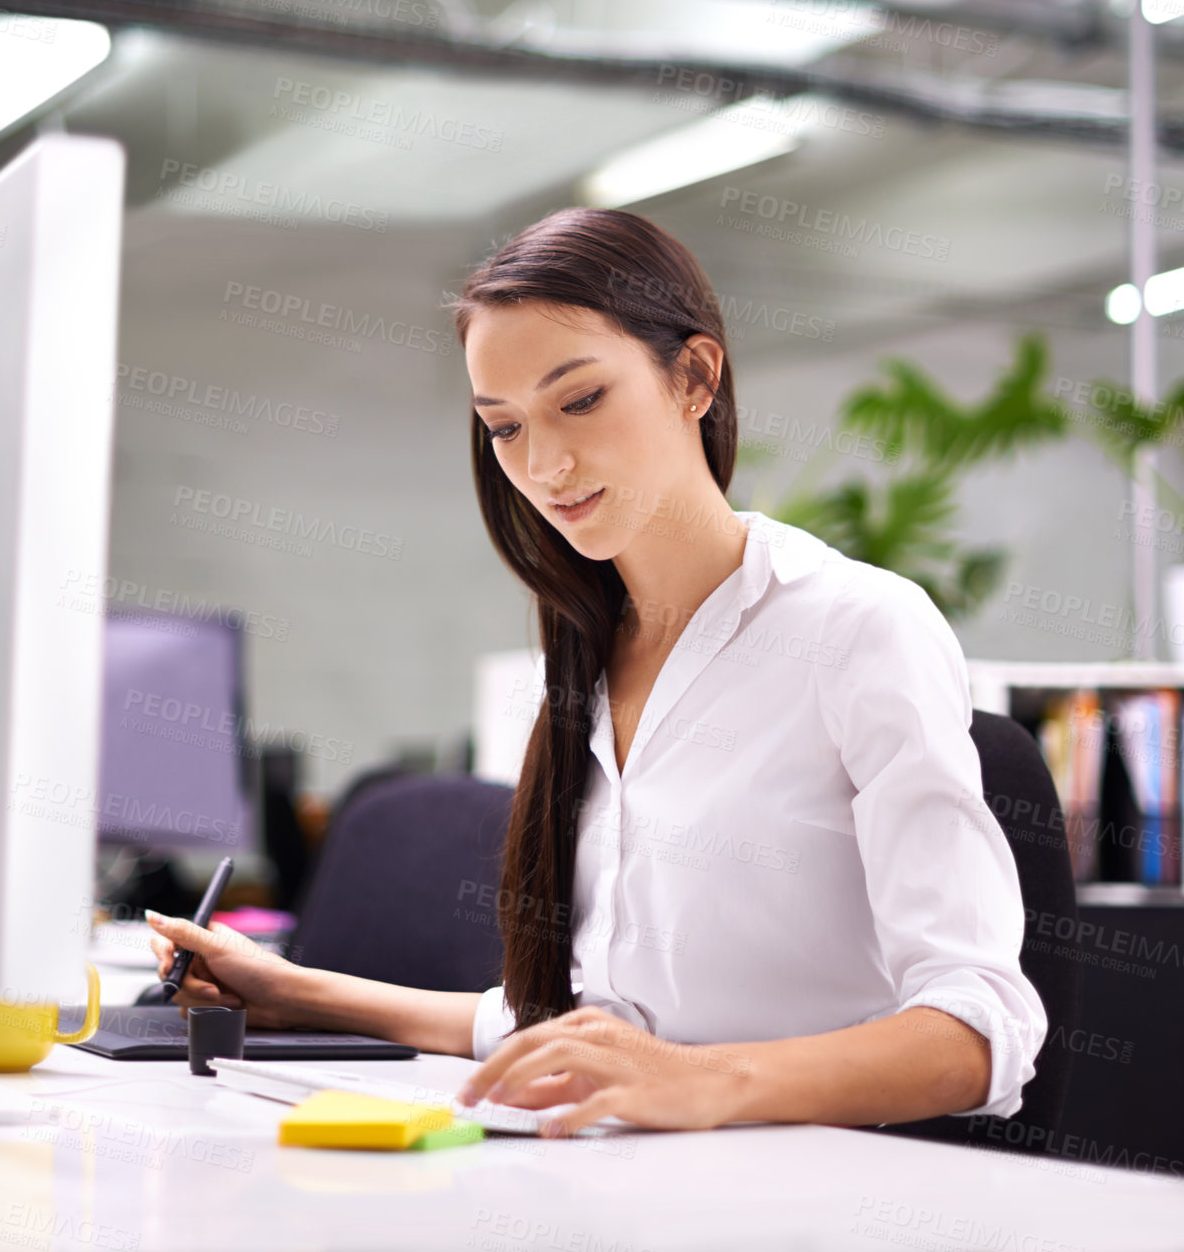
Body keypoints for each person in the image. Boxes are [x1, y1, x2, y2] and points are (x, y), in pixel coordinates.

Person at [146, 206, 1046, 1139]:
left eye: (580, 401)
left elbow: (982, 1028)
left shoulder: (859, 627)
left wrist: (702, 1080)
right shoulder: (579, 657)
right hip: (608, 1176)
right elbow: (578, 1025)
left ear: (694, 377)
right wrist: (299, 993)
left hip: (800, 1194)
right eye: (504, 427)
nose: (544, 465)